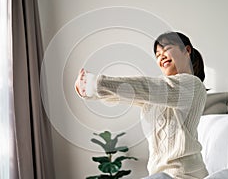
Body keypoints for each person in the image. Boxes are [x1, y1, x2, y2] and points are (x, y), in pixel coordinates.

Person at [75, 32, 209, 179]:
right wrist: (89, 91)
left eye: (167, 49)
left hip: (185, 175)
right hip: (158, 175)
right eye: (157, 54)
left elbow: (147, 86)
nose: (161, 56)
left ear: (187, 50)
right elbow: (124, 94)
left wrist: (97, 83)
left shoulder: (194, 85)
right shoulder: (156, 94)